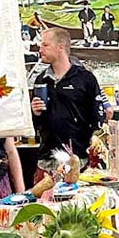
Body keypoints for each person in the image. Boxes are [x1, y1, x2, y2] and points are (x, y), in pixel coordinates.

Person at [30, 27, 104, 179]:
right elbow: (37, 124)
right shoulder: (41, 80)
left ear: (60, 47)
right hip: (46, 160)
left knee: (77, 203)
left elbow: (97, 118)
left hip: (78, 159)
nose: (40, 49)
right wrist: (35, 113)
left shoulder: (85, 78)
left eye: (45, 45)